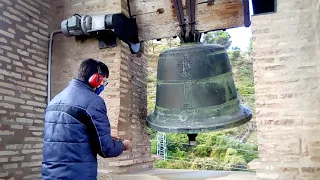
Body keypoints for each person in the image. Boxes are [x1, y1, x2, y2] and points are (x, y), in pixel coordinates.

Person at [41, 58, 132, 180]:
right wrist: (122, 145)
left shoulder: (54, 100)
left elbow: (69, 136)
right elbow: (106, 149)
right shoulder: (93, 102)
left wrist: (103, 137)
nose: (102, 85)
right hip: (77, 175)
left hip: (50, 175)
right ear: (96, 79)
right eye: (103, 81)